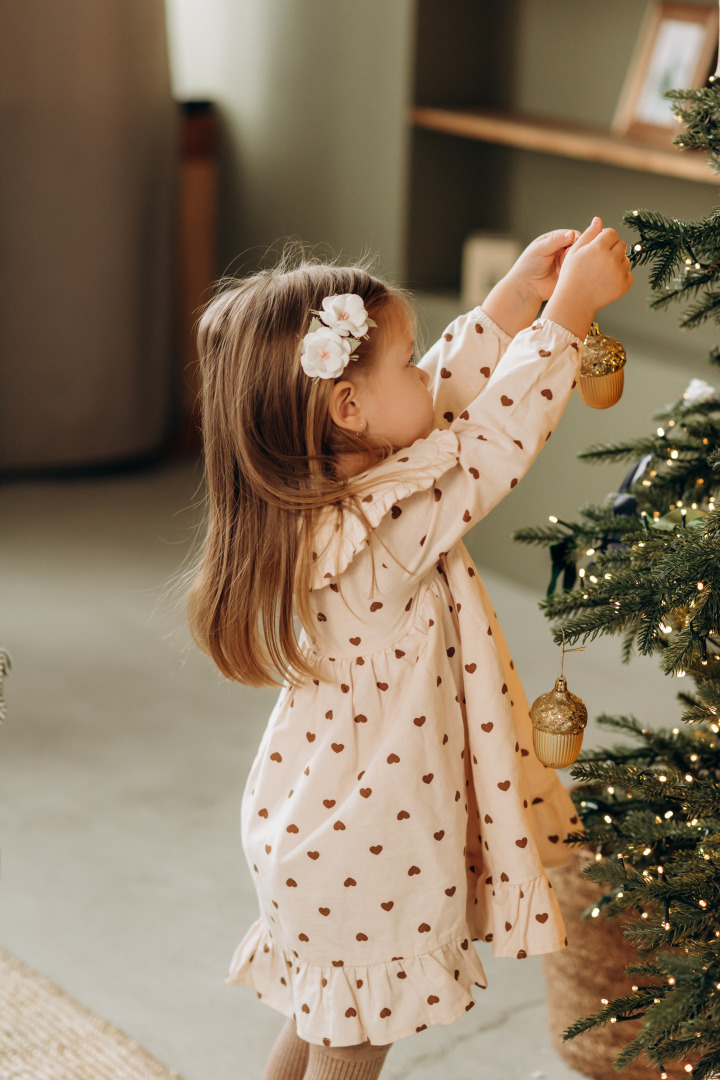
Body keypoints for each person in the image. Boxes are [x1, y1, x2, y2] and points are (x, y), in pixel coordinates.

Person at [187, 217, 633, 1080]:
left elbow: (440, 405)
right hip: (365, 844)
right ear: (348, 408)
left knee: (326, 1023)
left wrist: (510, 307)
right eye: (408, 360)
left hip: (319, 828)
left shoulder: (335, 491)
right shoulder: (380, 524)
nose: (425, 372)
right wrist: (569, 314)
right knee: (353, 1047)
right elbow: (489, 443)